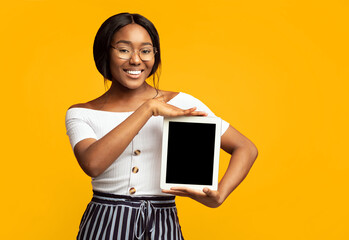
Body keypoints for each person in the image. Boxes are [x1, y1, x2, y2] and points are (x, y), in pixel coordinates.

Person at [65, 12, 258, 240]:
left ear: (154, 55)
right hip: (104, 222)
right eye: (124, 50)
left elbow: (245, 147)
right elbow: (93, 164)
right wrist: (149, 109)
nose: (136, 60)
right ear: (105, 52)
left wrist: (220, 193)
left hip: (163, 222)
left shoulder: (182, 103)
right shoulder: (82, 112)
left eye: (145, 51)